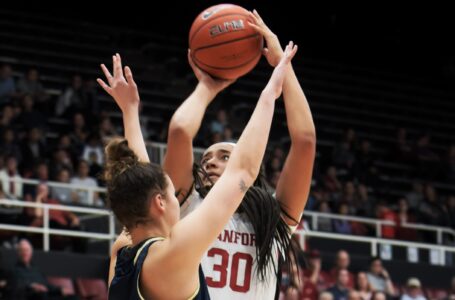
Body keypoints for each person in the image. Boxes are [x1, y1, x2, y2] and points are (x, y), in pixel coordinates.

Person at [115, 10, 315, 299]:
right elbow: (181, 132)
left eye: (223, 156)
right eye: (206, 158)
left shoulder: (273, 219)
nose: (209, 161)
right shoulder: (183, 204)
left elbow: (305, 141)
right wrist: (207, 86)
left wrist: (284, 67)